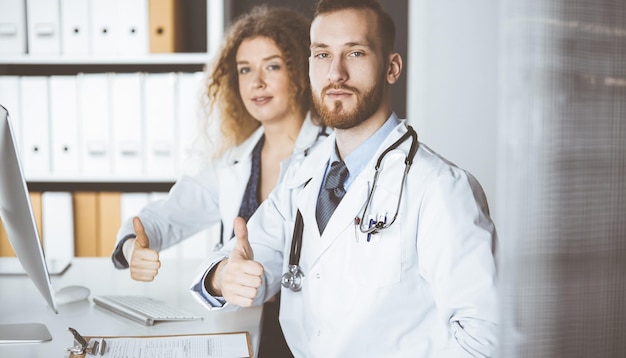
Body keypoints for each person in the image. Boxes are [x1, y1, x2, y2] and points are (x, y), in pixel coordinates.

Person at [191, 0, 499, 357]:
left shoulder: (441, 188)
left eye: (354, 53)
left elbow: (486, 339)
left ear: (392, 67)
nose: (335, 73)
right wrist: (224, 276)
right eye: (322, 55)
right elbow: (241, 261)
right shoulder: (301, 175)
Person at [110, 6, 325, 358]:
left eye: (272, 65)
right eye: (245, 69)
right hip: (246, 327)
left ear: (301, 70)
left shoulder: (331, 154)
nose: (257, 82)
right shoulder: (234, 162)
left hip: (313, 335)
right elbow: (167, 216)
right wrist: (134, 245)